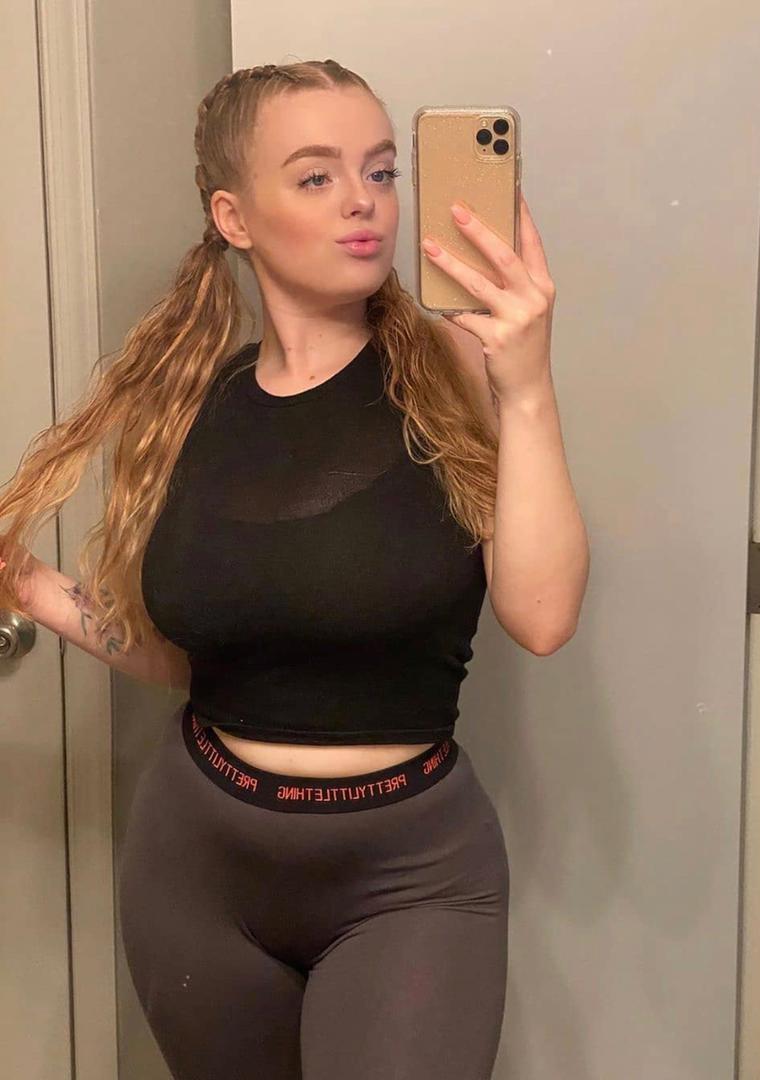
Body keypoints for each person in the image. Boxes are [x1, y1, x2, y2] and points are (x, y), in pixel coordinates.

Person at [1, 59, 586, 1079]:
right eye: (317, 176)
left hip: (408, 877)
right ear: (233, 216)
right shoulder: (196, 405)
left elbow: (541, 616)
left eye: (381, 171)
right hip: (196, 868)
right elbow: (194, 660)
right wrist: (37, 592)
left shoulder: (458, 374)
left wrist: (527, 388)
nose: (365, 200)